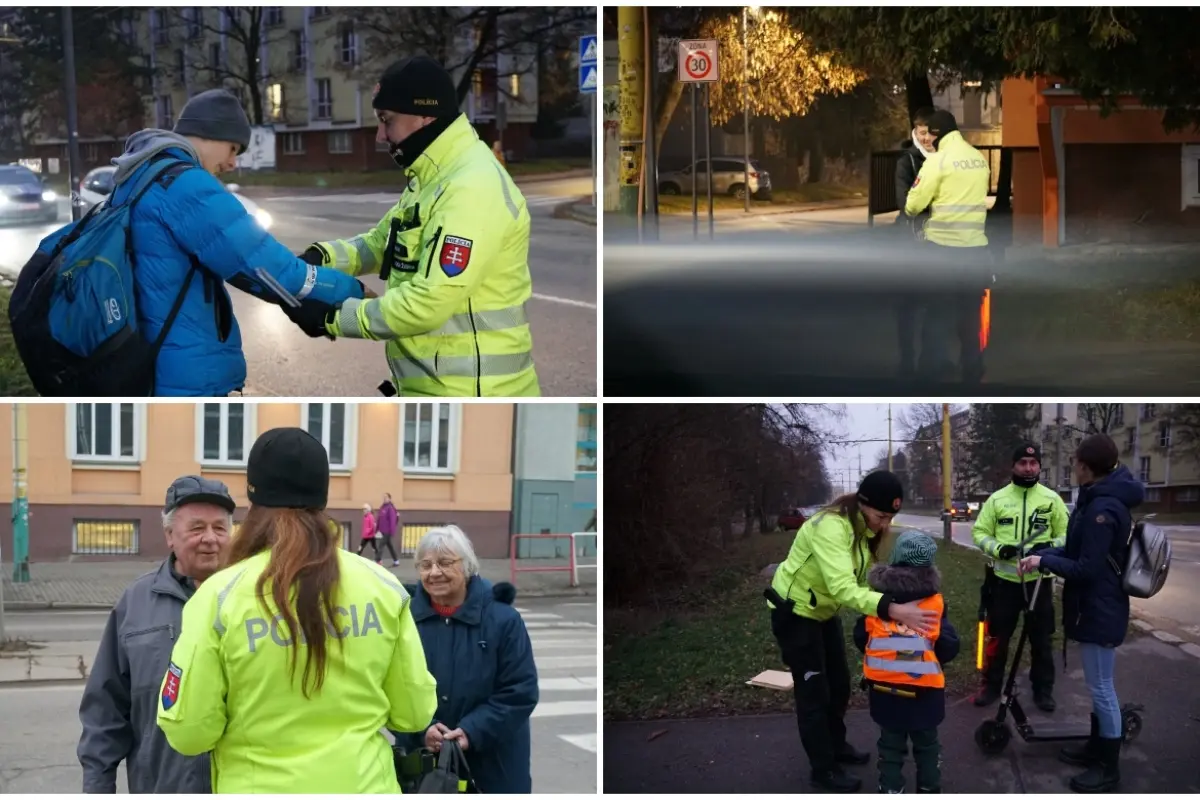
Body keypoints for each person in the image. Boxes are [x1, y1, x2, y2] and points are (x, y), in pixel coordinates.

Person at [155, 428, 438, 793]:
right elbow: (413, 712)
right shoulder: (383, 587)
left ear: (253, 497)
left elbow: (189, 731)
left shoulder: (218, 598)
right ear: (323, 494)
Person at [34, 88, 364, 396]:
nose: (233, 162)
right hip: (182, 373)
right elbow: (267, 266)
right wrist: (352, 292)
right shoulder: (185, 184)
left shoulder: (140, 175)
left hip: (150, 359)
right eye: (233, 148)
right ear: (211, 133)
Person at [280, 56, 540, 398]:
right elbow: (378, 244)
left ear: (425, 116)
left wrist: (332, 315)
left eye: (387, 121)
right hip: (439, 389)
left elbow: (426, 304)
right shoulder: (435, 177)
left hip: (475, 394)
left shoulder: (472, 187)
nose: (379, 135)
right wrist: (318, 257)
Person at [767, 470, 940, 793]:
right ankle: (824, 770)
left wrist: (896, 596)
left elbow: (860, 582)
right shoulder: (831, 527)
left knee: (840, 686)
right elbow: (843, 587)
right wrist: (892, 607)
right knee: (814, 696)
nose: (885, 525)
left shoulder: (861, 528)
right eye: (881, 516)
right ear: (863, 504)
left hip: (823, 611)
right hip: (796, 614)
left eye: (891, 517)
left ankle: (837, 747)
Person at [77, 476, 236, 792]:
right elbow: (105, 708)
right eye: (196, 528)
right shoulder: (136, 602)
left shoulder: (254, 597)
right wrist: (97, 786)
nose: (210, 538)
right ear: (169, 535)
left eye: (220, 528)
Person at [1019, 434, 1143, 793]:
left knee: (1102, 689)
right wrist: (1047, 550)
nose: (1072, 467)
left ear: (1085, 468)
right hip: (1095, 605)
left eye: (1074, 462)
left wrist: (1044, 560)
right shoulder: (1096, 501)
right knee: (1097, 687)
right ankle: (1095, 748)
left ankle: (1109, 768)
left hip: (1100, 608)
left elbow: (1086, 568)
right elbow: (1078, 550)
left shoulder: (1103, 510)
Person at [397, 525, 539, 793]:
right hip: (425, 766)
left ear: (467, 566)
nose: (434, 572)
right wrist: (422, 729)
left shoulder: (503, 620)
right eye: (425, 565)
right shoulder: (406, 621)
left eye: (445, 563)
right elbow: (391, 689)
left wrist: (472, 730)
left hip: (494, 766)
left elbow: (520, 692)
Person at [853, 530, 959, 794]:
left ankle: (890, 789)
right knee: (927, 745)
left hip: (883, 693)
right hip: (924, 694)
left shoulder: (877, 600)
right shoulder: (934, 603)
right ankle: (928, 788)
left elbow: (859, 637)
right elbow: (948, 646)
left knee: (890, 746)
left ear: (895, 558)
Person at [971, 443, 1069, 710]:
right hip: (1004, 584)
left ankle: (1043, 691)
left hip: (1039, 583)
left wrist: (1047, 550)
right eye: (1023, 462)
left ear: (1039, 466)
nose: (1028, 467)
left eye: (1033, 463)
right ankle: (991, 687)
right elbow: (979, 533)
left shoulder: (1052, 500)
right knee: (997, 639)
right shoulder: (997, 499)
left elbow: (1067, 534)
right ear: (1014, 466)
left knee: (1041, 640)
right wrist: (999, 549)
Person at [903, 108, 992, 383]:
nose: (926, 138)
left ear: (938, 133)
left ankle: (931, 371)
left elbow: (913, 205)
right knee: (970, 318)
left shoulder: (938, 161)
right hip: (977, 251)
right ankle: (972, 371)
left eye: (929, 132)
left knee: (937, 315)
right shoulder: (978, 159)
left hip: (943, 250)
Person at [894, 107, 937, 377]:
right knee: (908, 306)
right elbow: (905, 204)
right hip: (909, 245)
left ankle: (929, 359)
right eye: (922, 133)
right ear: (915, 131)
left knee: (934, 305)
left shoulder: (946, 160)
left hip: (936, 244)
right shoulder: (907, 162)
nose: (926, 138)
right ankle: (908, 359)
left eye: (931, 133)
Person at [376, 492, 401, 566]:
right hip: (382, 530)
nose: (384, 498)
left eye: (386, 497)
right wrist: (377, 529)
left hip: (388, 531)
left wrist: (391, 531)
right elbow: (379, 519)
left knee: (381, 545)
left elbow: (392, 520)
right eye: (383, 497)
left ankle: (378, 560)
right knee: (390, 546)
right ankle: (396, 561)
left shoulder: (390, 508)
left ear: (389, 499)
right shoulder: (382, 507)